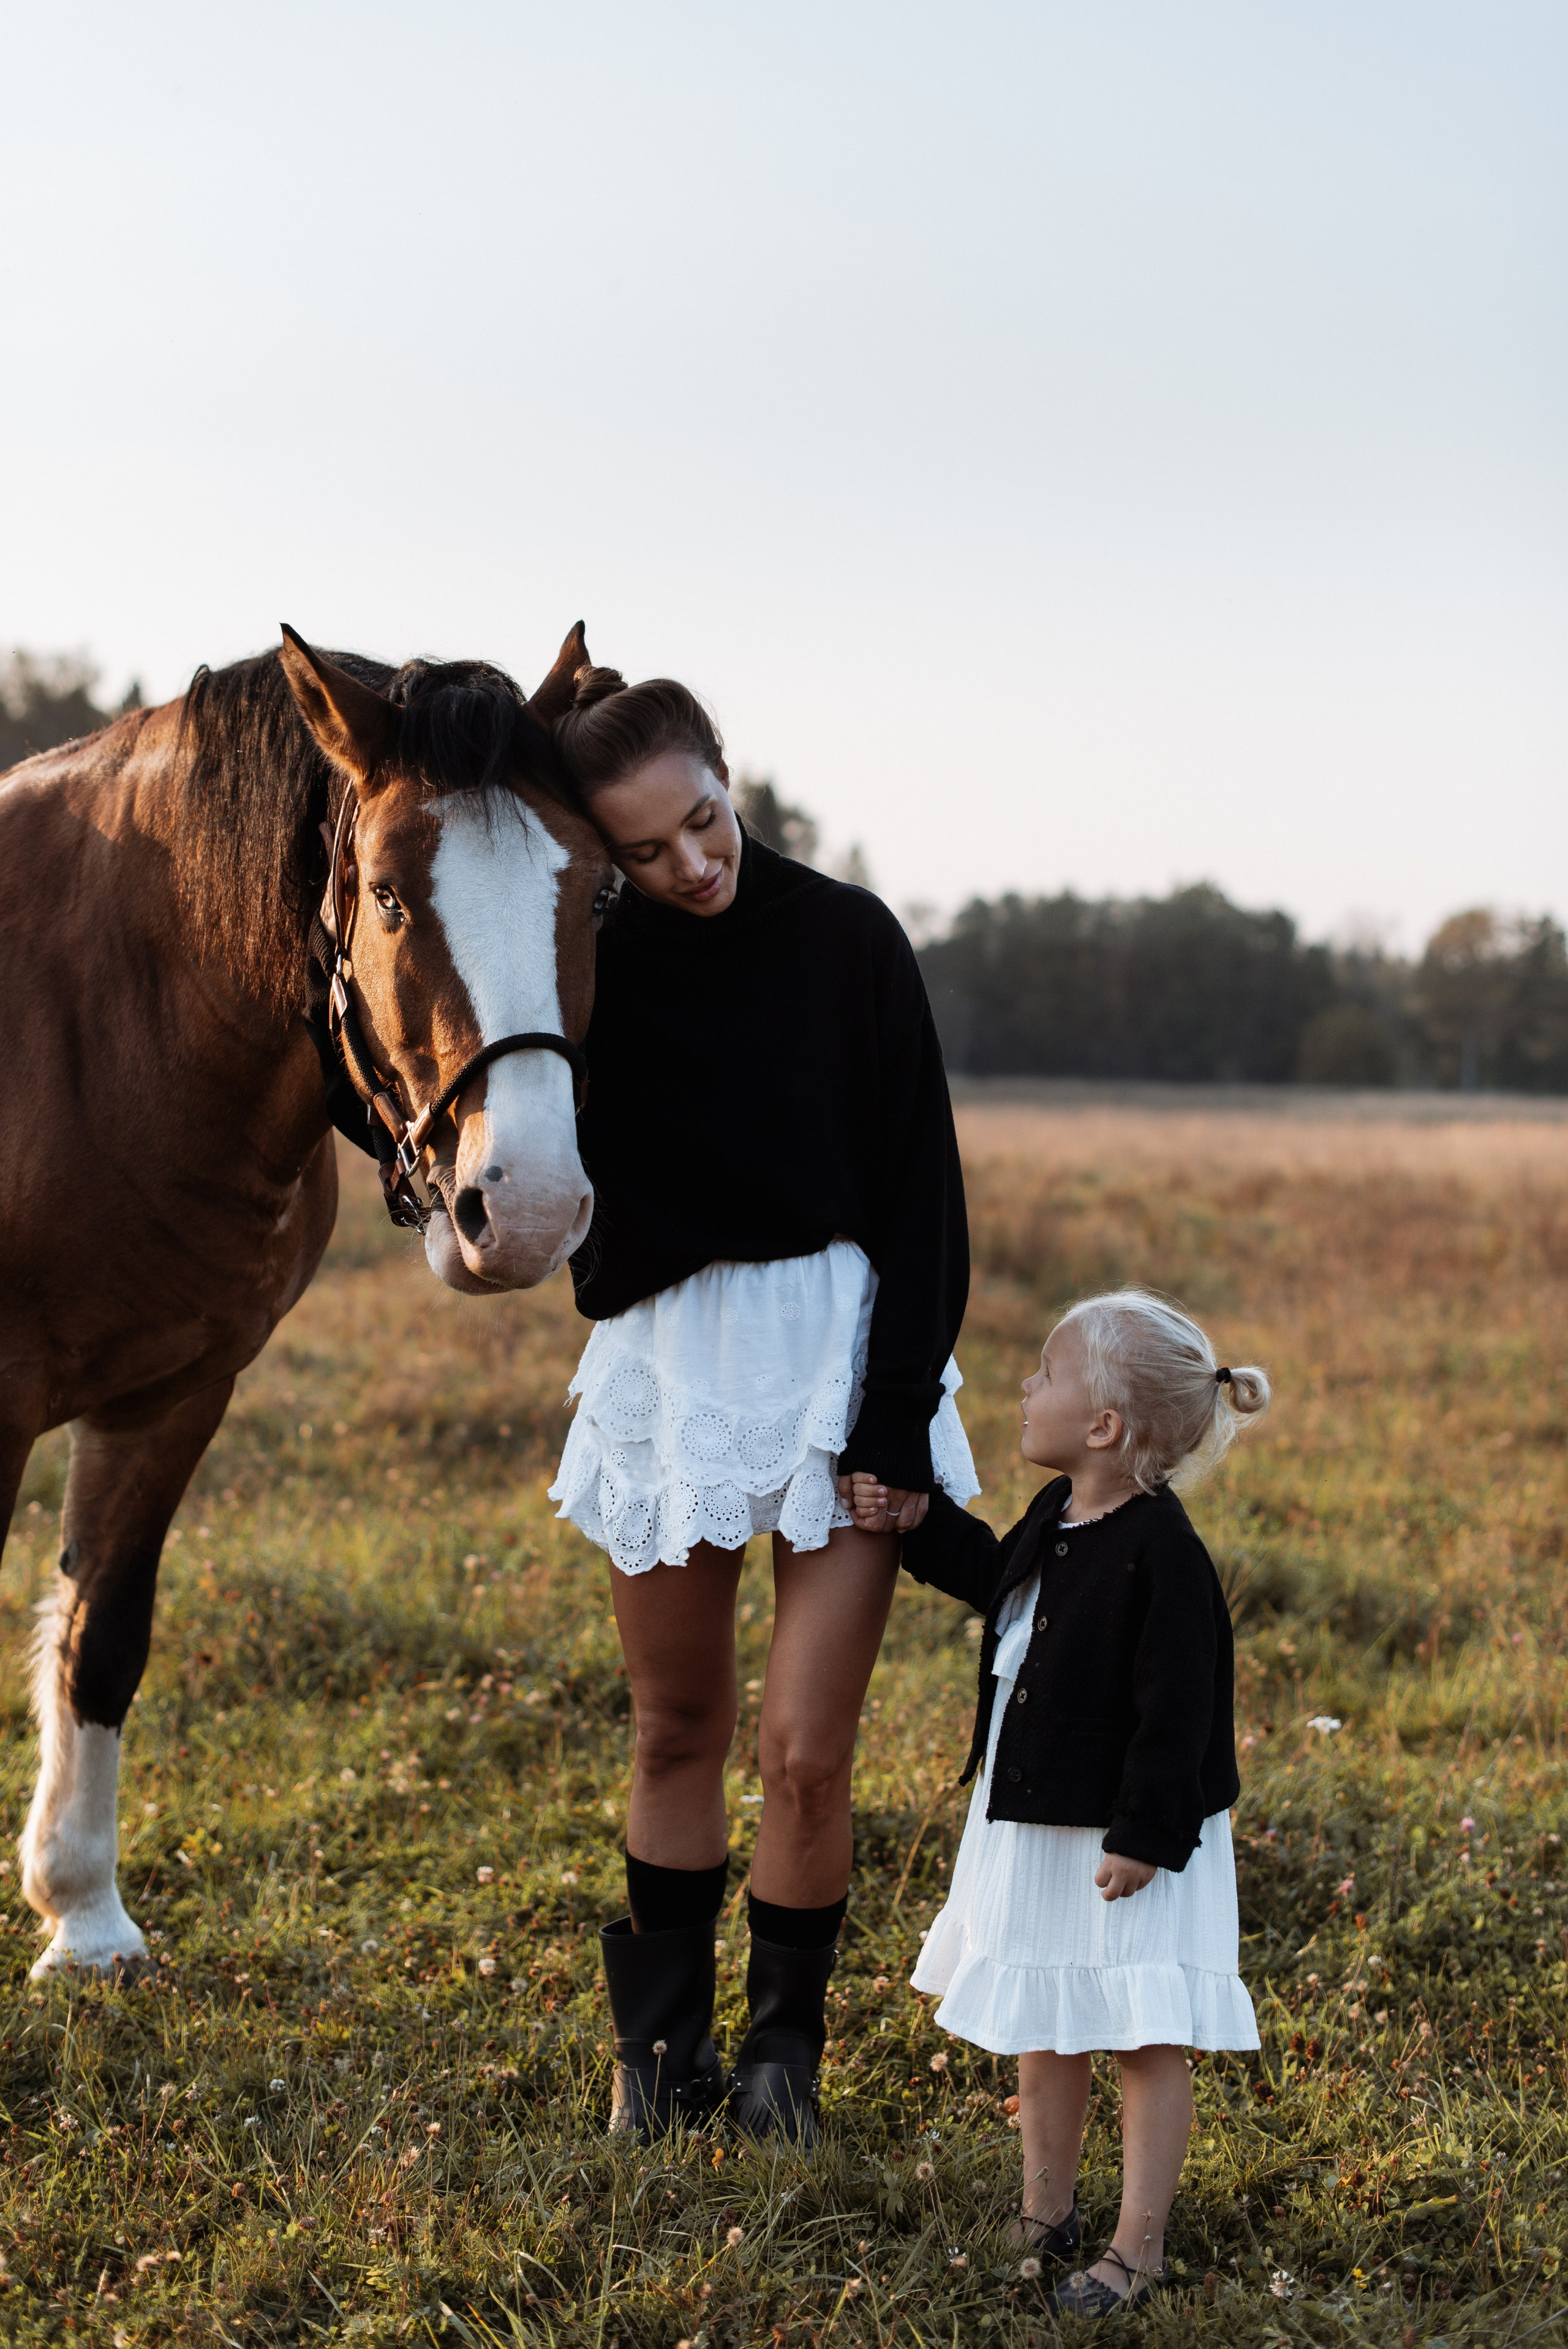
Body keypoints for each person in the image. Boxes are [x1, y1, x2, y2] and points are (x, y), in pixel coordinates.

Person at [546, 666, 977, 2141]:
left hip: (837, 1365)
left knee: (804, 1748)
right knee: (675, 1726)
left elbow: (925, 1191)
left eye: (703, 823)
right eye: (645, 854)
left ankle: (781, 2060)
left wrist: (895, 1415)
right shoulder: (594, 964)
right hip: (669, 1369)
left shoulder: (850, 937)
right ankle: (654, 2067)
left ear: (728, 774)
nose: (690, 865)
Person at [850, 1289, 1268, 2314]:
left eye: (1044, 1373)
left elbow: (1183, 1712)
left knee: (1141, 2034)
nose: (1023, 1388)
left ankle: (1137, 2247)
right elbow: (1005, 1585)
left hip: (1123, 1841)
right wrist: (919, 1522)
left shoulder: (1165, 1555)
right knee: (1050, 2018)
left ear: (1104, 1428)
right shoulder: (1060, 1512)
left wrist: (1146, 1837)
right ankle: (1046, 2215)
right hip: (1036, 1822)